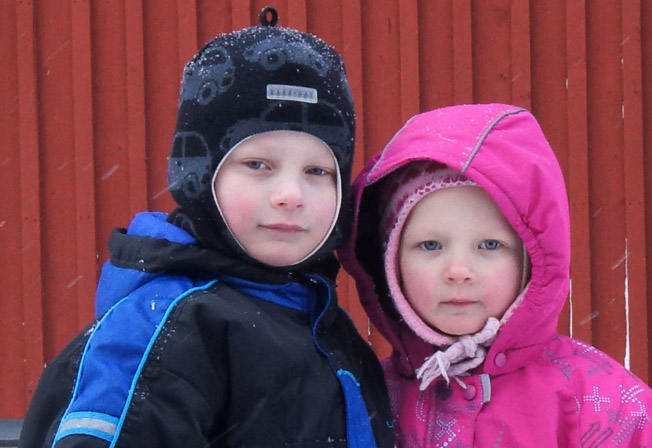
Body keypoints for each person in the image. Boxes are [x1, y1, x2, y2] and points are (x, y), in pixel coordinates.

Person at [19, 7, 393, 448]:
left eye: (317, 171)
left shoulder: (323, 325)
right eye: (258, 165)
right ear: (199, 176)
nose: (290, 194)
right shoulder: (172, 324)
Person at [338, 103, 652, 447]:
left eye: (490, 245)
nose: (459, 272)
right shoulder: (369, 400)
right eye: (430, 245)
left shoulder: (603, 403)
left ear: (532, 259)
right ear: (390, 263)